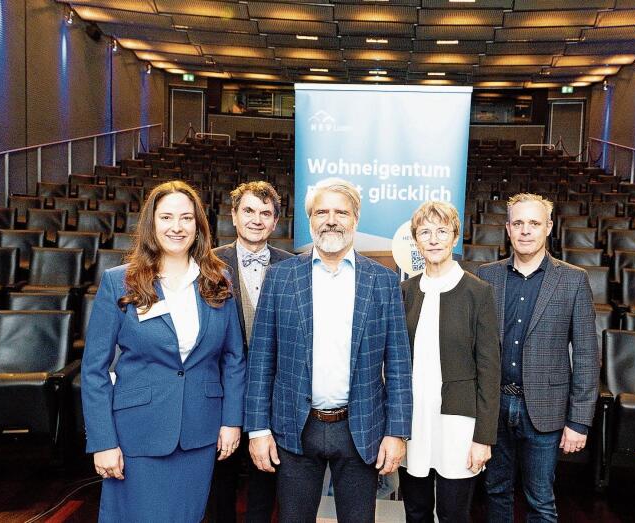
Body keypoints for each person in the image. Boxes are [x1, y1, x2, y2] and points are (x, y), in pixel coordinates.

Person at [244, 177, 413, 523]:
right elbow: (262, 360)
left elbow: (398, 363)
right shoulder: (281, 277)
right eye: (322, 211)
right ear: (310, 220)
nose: (331, 219)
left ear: (355, 220)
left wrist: (396, 432)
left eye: (341, 212)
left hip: (360, 429)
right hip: (294, 428)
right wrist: (258, 430)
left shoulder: (382, 280)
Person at [81, 181, 245, 522]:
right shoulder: (120, 281)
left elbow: (233, 359)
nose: (177, 226)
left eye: (186, 218)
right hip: (136, 435)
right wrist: (103, 441)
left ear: (198, 225)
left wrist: (232, 421)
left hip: (199, 433)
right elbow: (94, 369)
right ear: (151, 224)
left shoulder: (219, 280)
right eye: (166, 217)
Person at [477, 193, 600, 523]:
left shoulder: (573, 279)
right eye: (518, 223)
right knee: (495, 490)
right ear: (507, 228)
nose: (526, 230)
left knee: (540, 499)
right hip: (496, 407)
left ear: (548, 227)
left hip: (546, 408)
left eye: (534, 223)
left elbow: (587, 355)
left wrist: (578, 421)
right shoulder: (487, 276)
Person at [399, 201, 501, 523]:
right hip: (413, 423)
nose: (433, 239)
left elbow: (489, 369)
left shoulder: (478, 292)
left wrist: (483, 437)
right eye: (425, 232)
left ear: (454, 237)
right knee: (415, 510)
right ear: (416, 240)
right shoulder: (404, 291)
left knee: (453, 514)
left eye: (442, 231)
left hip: (459, 424)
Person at [211, 181, 293, 523]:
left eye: (265, 213)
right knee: (220, 482)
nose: (256, 220)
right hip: (219, 390)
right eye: (248, 211)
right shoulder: (208, 263)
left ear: (275, 222)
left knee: (265, 481)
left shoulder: (293, 268)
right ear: (233, 215)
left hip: (273, 393)